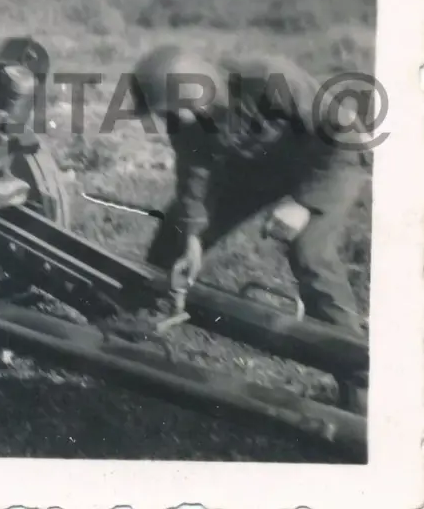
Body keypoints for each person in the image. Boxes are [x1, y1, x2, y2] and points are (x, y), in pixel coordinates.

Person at [127, 44, 371, 408]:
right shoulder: (186, 115)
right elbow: (194, 172)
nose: (175, 120)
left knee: (310, 253)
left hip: (329, 163)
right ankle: (132, 326)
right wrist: (193, 236)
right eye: (166, 114)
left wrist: (303, 204)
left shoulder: (270, 78)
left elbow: (344, 137)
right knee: (175, 234)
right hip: (257, 170)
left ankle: (359, 379)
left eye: (175, 110)